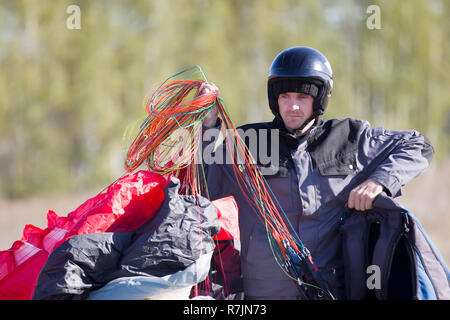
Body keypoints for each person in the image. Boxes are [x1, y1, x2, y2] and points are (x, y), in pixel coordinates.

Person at [200, 46, 434, 300]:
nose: (293, 106)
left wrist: (379, 181)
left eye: (302, 97)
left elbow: (418, 146)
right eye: (285, 96)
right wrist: (208, 126)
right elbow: (203, 185)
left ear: (319, 99)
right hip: (264, 295)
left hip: (331, 291)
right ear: (274, 99)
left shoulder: (349, 138)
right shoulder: (248, 142)